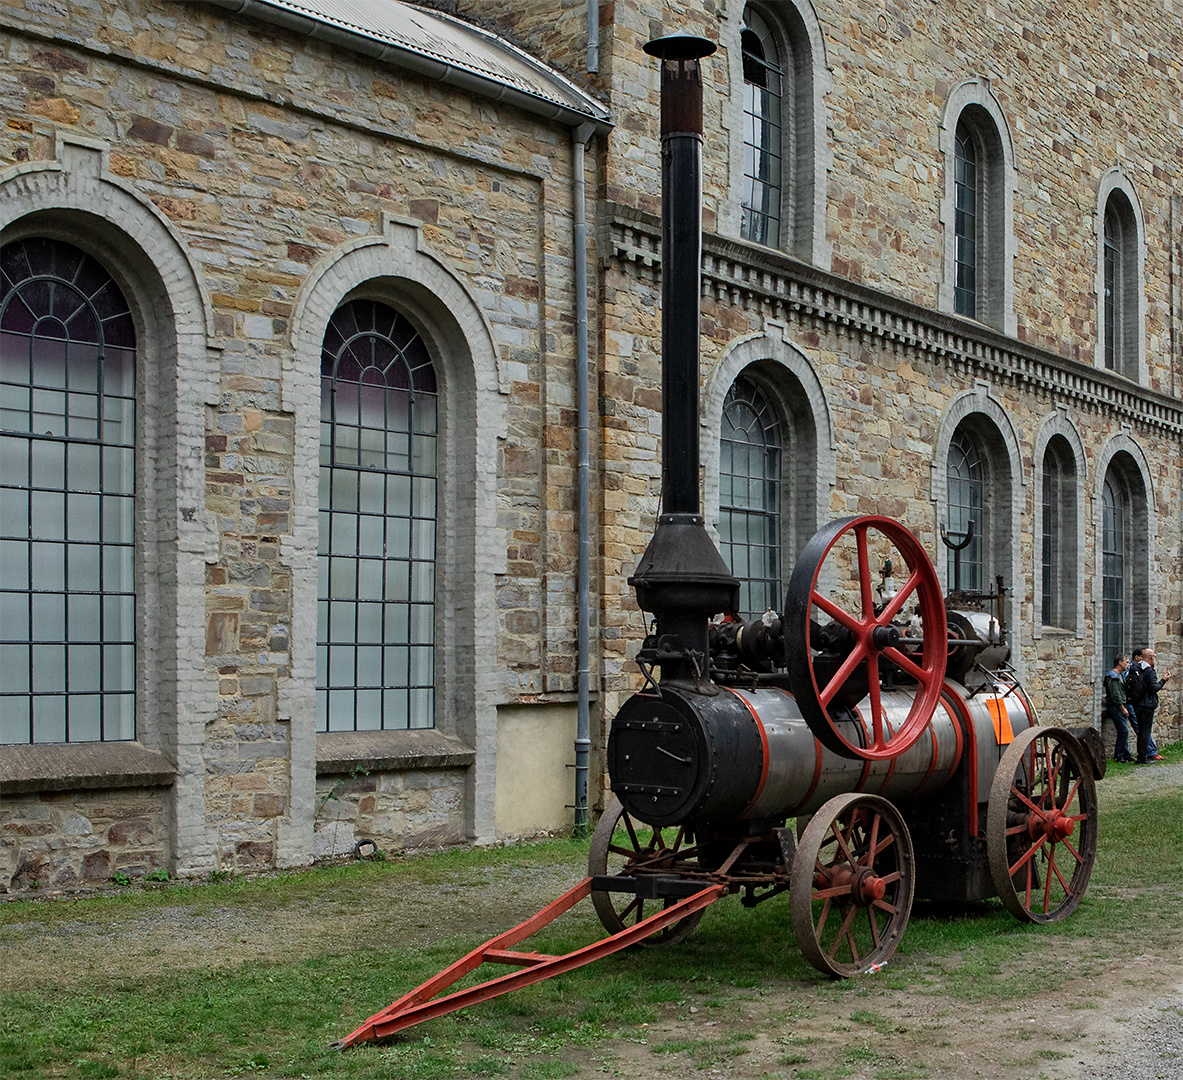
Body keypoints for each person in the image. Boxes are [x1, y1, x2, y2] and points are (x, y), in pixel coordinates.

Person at [1129, 647, 1173, 764]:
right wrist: (1163, 680)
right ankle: (1143, 757)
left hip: (1136, 703)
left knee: (1141, 731)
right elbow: (1154, 688)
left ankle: (1141, 756)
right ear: (1151, 657)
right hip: (1147, 705)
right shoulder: (1149, 670)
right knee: (1145, 731)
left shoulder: (1134, 668)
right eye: (1153, 656)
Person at [1103, 654, 1135, 762]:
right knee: (1123, 731)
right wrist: (1122, 708)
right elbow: (1115, 694)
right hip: (1116, 707)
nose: (1128, 664)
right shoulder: (1112, 676)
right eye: (1126, 662)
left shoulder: (1120, 675)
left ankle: (1125, 753)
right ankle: (1119, 755)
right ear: (1119, 663)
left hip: (1121, 706)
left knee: (1124, 731)